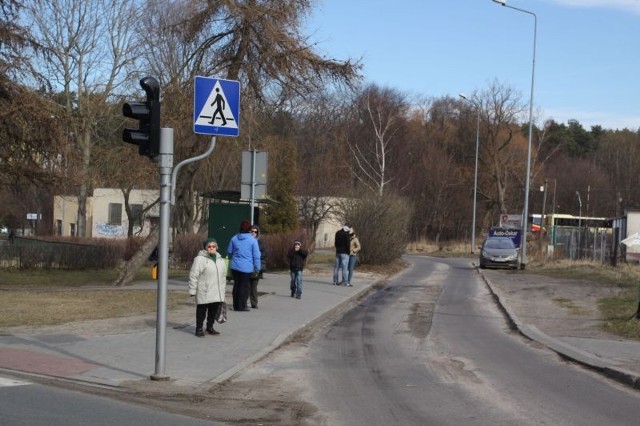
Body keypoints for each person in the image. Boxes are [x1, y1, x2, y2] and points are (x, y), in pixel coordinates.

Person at [188, 238, 227, 338]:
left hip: (216, 291)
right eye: (209, 246)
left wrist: (222, 291)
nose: (211, 248)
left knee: (213, 311)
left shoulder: (220, 259)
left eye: (213, 246)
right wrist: (192, 290)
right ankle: (199, 329)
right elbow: (193, 275)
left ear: (216, 248)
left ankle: (210, 327)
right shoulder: (200, 259)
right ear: (205, 248)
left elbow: (223, 276)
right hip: (204, 290)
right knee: (202, 311)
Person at [227, 220, 261, 312]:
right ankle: (241, 306)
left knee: (236, 285)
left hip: (235, 266)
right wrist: (257, 268)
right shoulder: (253, 241)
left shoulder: (234, 238)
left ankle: (235, 305)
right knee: (244, 286)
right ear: (250, 229)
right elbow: (256, 256)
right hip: (246, 267)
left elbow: (229, 251)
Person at [248, 225, 267, 309]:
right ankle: (244, 302)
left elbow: (265, 254)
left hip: (256, 267)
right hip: (247, 266)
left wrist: (258, 256)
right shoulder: (247, 241)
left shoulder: (260, 242)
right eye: (252, 231)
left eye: (255, 232)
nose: (253, 233)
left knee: (254, 286)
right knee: (246, 286)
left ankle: (254, 303)